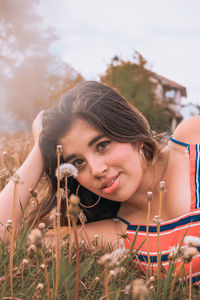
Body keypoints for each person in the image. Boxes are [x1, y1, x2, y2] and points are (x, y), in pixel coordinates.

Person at [0, 81, 200, 282]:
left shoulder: (191, 141)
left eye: (102, 145)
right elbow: (5, 240)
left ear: (130, 131)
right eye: (78, 162)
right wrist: (39, 150)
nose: (96, 170)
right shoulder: (117, 234)